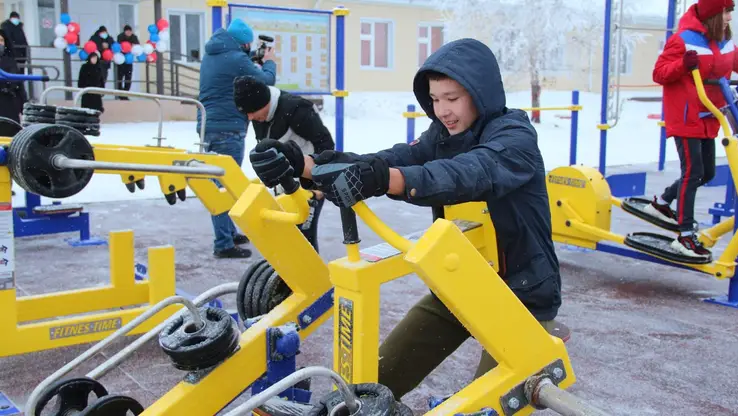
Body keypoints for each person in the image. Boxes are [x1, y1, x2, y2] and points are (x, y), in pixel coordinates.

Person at [248, 38, 562, 400]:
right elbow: (392, 158)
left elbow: (466, 174)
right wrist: (305, 164)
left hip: (521, 294)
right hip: (461, 284)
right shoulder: (442, 136)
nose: (442, 110)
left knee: (485, 403)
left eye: (452, 98)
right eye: (435, 99)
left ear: (481, 92)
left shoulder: (514, 138)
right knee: (372, 386)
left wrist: (385, 180)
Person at [646, 0, 738, 261]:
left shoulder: (724, 40)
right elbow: (659, 73)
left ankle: (662, 203)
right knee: (693, 171)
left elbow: (735, 61)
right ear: (713, 15)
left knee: (707, 172)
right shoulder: (683, 39)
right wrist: (683, 65)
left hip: (710, 115)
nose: (730, 18)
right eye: (726, 12)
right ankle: (684, 235)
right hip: (687, 116)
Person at [198, 18, 277, 259]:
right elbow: (266, 80)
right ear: (242, 44)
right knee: (223, 185)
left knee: (221, 183)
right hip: (227, 128)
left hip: (209, 126)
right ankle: (223, 243)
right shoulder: (235, 58)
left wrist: (252, 57)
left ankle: (228, 233)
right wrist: (271, 62)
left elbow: (238, 63)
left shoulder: (215, 53)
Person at [233, 75, 335, 253]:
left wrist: (319, 185)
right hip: (285, 184)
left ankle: (311, 278)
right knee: (286, 237)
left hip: (309, 185)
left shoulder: (297, 109)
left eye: (252, 111)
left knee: (304, 238)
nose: (249, 117)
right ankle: (288, 279)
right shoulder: (259, 115)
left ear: (264, 102)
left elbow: (326, 145)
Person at [0, 29, 26, 123]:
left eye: (2, 40)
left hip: (8, 103)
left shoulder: (10, 61)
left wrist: (23, 107)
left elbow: (18, 85)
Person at [115, 25, 139, 98]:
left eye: (130, 31)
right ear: (124, 31)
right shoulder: (120, 36)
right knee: (120, 77)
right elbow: (118, 46)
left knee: (128, 77)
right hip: (121, 60)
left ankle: (125, 93)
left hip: (129, 60)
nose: (129, 32)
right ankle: (120, 93)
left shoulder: (134, 37)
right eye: (127, 31)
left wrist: (133, 46)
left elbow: (137, 45)